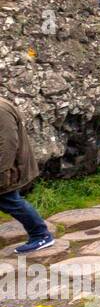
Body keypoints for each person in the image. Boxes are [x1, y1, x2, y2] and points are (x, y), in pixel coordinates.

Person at [0, 97, 54, 254]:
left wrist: (2, 170)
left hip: (8, 167)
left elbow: (8, 144)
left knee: (9, 200)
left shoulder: (1, 110)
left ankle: (41, 235)